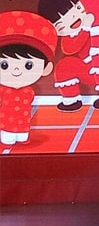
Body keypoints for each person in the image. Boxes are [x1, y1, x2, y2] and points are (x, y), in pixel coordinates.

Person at [0, 11, 58, 145]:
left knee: (22, 132)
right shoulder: (4, 91)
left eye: (28, 65)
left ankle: (21, 135)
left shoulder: (28, 91)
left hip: (23, 122)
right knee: (7, 136)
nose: (16, 70)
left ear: (46, 68)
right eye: (4, 65)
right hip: (6, 122)